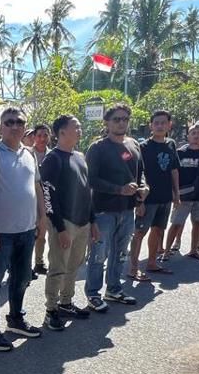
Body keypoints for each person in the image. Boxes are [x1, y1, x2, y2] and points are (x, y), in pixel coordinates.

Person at [0, 107, 44, 350]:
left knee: (21, 279)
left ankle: (16, 319)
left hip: (26, 231)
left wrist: (42, 219)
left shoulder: (30, 155)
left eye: (19, 122)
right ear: (0, 127)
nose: (15, 126)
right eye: (9, 122)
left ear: (25, 127)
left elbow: (37, 188)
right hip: (1, 233)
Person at [85, 103, 144, 310]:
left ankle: (114, 289)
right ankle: (93, 294)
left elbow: (140, 174)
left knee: (121, 253)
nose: (121, 123)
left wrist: (143, 188)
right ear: (107, 123)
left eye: (125, 119)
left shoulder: (134, 145)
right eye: (116, 119)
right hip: (103, 211)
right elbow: (91, 180)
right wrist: (119, 189)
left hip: (127, 210)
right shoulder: (97, 148)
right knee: (99, 255)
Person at [39, 114, 94, 331]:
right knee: (58, 267)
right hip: (64, 223)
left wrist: (93, 221)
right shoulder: (53, 159)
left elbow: (86, 191)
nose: (80, 130)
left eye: (80, 127)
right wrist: (60, 228)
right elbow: (47, 196)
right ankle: (50, 310)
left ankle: (66, 302)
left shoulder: (79, 156)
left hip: (82, 222)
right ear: (61, 132)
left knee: (74, 265)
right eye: (76, 127)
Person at [128, 110, 180, 281]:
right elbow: (136, 174)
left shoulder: (171, 144)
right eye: (156, 123)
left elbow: (174, 170)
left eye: (163, 123)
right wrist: (138, 201)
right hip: (147, 199)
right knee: (139, 232)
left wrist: (176, 194)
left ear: (169, 125)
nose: (159, 126)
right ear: (151, 125)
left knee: (158, 231)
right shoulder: (142, 147)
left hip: (165, 197)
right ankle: (133, 268)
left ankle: (151, 263)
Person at [165, 123, 199, 260]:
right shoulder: (180, 153)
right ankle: (166, 251)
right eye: (193, 133)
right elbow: (173, 174)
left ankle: (194, 250)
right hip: (183, 196)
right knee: (176, 223)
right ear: (188, 136)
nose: (196, 135)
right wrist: (174, 193)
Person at [25, 123, 52, 276]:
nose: (42, 138)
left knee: (42, 232)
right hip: (29, 200)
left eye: (45, 135)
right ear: (33, 137)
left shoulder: (53, 155)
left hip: (47, 200)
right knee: (29, 234)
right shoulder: (27, 154)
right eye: (39, 135)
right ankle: (25, 266)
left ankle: (39, 262)